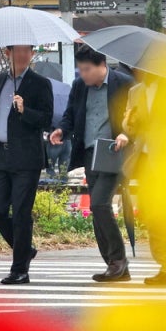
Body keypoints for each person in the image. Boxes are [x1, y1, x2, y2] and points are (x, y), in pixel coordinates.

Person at [50, 45, 133, 282]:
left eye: (86, 69)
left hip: (113, 152)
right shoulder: (79, 86)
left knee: (99, 204)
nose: (83, 74)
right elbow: (70, 115)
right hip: (89, 153)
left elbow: (138, 117)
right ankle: (114, 264)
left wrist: (127, 134)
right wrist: (61, 131)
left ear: (101, 66)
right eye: (80, 70)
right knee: (97, 210)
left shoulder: (124, 84)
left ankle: (118, 261)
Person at [0, 45, 53, 285]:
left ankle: (20, 269)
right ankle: (25, 249)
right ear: (8, 53)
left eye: (27, 51)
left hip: (26, 159)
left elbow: (46, 120)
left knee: (20, 213)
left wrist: (24, 110)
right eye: (18, 51)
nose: (23, 55)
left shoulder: (40, 83)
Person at [122, 73, 166, 285]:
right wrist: (129, 123)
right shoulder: (135, 92)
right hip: (145, 160)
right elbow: (130, 128)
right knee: (151, 214)